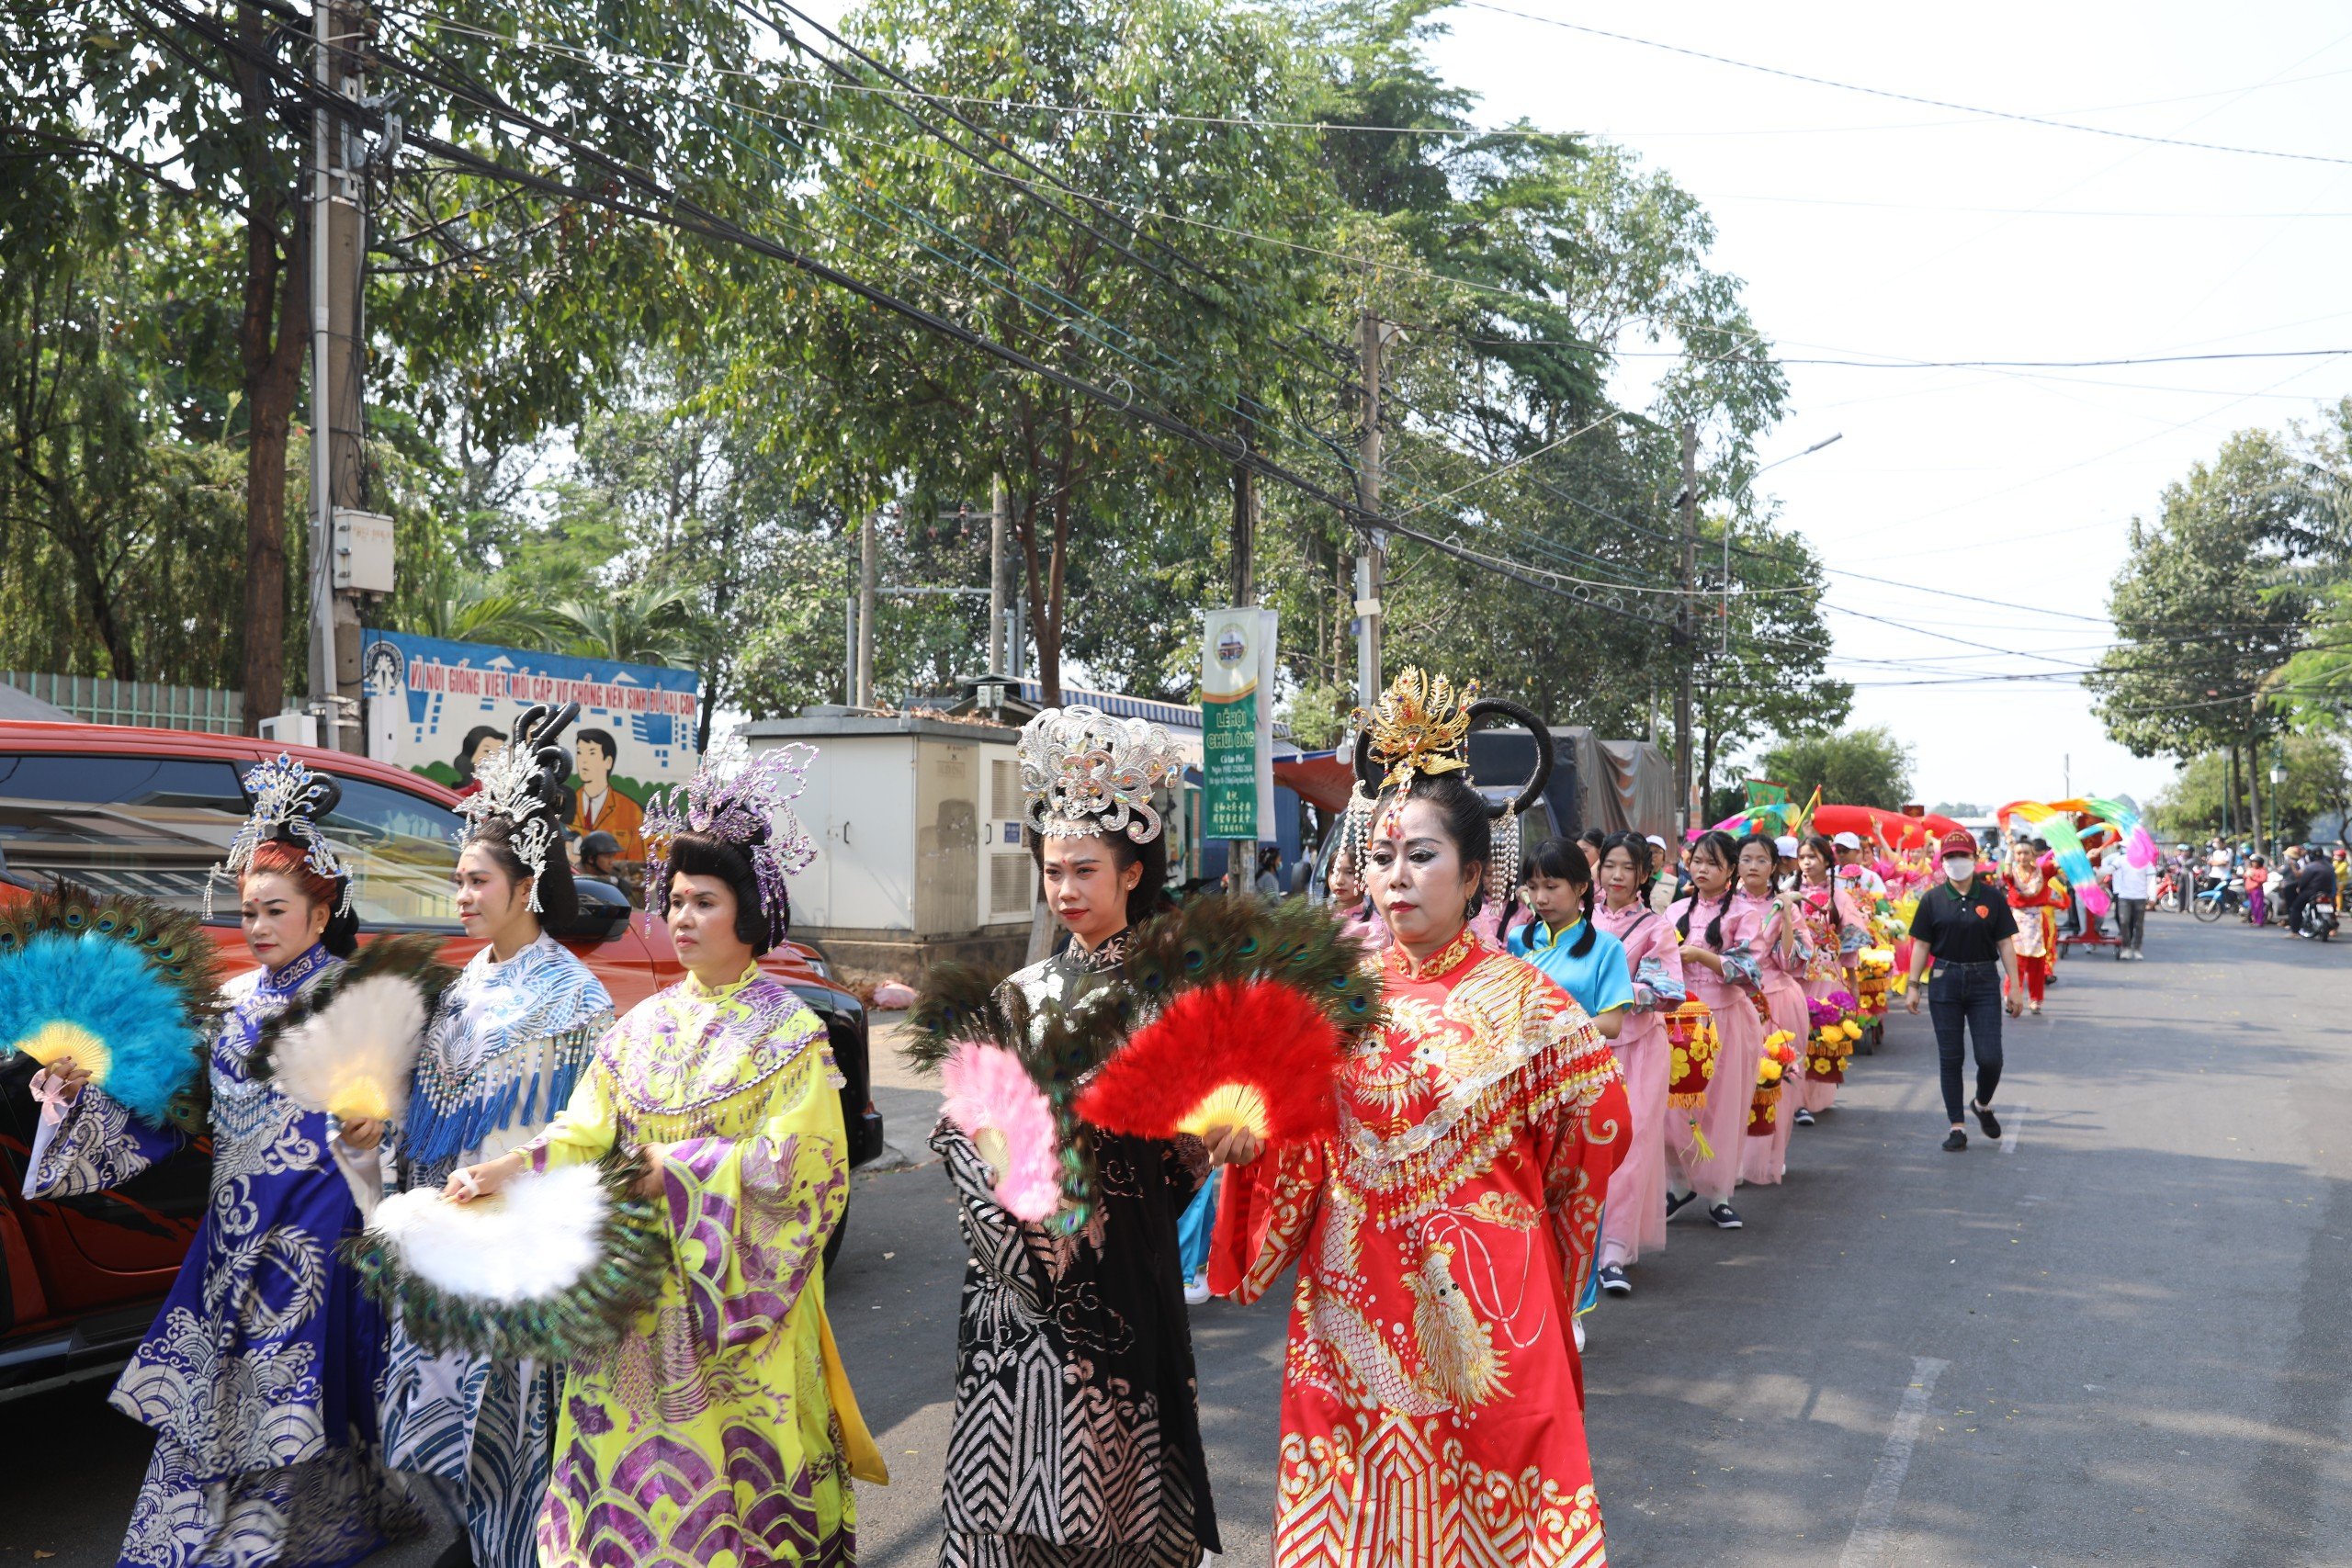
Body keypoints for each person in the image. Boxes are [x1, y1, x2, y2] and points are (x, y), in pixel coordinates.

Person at [1208, 671, 1628, 1568]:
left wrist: (1537, 1244)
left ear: (1478, 872)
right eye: (1383, 855)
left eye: (1422, 856)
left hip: (1486, 1305)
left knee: (1492, 1514)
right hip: (1352, 1299)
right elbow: (1288, 1133)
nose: (1395, 878)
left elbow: (1596, 1132)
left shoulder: (1531, 1008)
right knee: (1356, 1516)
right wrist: (1251, 1141)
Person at [441, 739, 877, 1567]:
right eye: (674, 899)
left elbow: (806, 1172)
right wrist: (505, 1170)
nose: (681, 917)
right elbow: (582, 1131)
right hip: (633, 1312)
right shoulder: (637, 1024)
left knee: (736, 1506)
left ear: (749, 914)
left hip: (737, 1318)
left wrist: (675, 1172)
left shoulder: (791, 1032)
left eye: (704, 901)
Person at [23, 758, 418, 1568]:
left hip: (317, 1226)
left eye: (277, 910)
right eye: (248, 912)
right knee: (217, 1389)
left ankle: (261, 1539)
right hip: (232, 1227)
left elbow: (397, 1122)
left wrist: (374, 1137)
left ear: (323, 909)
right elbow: (164, 1111)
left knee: (283, 1379)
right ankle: (209, 1531)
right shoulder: (230, 1003)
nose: (260, 927)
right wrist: (72, 1093)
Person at [933, 705, 1219, 1568]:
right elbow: (968, 1121)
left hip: (1117, 1267)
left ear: (1132, 873)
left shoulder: (1174, 993)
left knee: (1108, 1490)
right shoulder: (1018, 992)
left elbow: (1187, 1153)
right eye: (1053, 870)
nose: (1064, 887)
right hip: (1010, 1281)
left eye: (1084, 869)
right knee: (1007, 1477)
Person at [374, 709, 616, 1568]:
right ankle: (477, 1544)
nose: (463, 894)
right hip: (449, 1231)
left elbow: (591, 1137)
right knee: (444, 1422)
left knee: (520, 1431)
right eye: (459, 878)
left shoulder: (578, 998)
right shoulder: (460, 983)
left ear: (526, 885)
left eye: (478, 880)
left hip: (522, 1246)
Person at [1589, 831, 1686, 1295]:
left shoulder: (1655, 927)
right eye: (1610, 865)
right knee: (1581, 1148)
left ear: (1645, 874)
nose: (1618, 876)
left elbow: (1667, 990)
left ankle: (1613, 1253)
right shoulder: (1580, 920)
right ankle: (1582, 1244)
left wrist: (1616, 997)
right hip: (1584, 1049)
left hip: (1638, 1049)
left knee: (1629, 1147)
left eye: (1628, 868)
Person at [1666, 829, 1765, 1229]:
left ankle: (1719, 1194)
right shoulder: (1672, 912)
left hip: (1725, 1019)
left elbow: (1748, 971)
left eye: (1713, 864)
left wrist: (1699, 955)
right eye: (1698, 862)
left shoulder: (1745, 913)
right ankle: (1677, 1184)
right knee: (1674, 1109)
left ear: (1730, 871)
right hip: (1679, 1021)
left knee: (1722, 1109)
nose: (1703, 870)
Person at [1905, 829, 2024, 1152]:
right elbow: (1921, 945)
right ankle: (1956, 1126)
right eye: (1950, 856)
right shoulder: (1932, 899)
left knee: (1991, 1058)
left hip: (1984, 980)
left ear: (1975, 859)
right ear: (1942, 861)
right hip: (1944, 979)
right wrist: (1913, 986)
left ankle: (1982, 1104)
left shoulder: (1991, 898)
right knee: (1951, 1057)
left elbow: (2005, 943)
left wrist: (2015, 986)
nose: (1957, 862)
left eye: (1963, 856)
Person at [1736, 834, 1808, 1181]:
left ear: (1774, 866)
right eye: (1746, 858)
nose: (1753, 866)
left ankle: (1767, 1158)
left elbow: (1794, 962)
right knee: (1732, 1082)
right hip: (1734, 1000)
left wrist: (1788, 918)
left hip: (1776, 1000)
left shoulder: (1786, 907)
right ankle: (1730, 1161)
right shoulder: (1722, 904)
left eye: (1761, 860)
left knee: (1772, 1081)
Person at [1791, 832, 1868, 1118]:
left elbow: (1849, 942)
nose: (1806, 863)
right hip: (1795, 974)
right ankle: (1795, 1101)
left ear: (1827, 860)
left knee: (1820, 1034)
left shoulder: (1840, 895)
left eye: (1812, 857)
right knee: (1795, 1033)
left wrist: (1854, 983)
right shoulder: (1789, 892)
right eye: (1802, 858)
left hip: (1826, 973)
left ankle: (1812, 1097)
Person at [565, 727, 647, 861]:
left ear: (608, 762)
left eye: (591, 753)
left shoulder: (631, 811)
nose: (583, 760)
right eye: (580, 753)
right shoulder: (567, 805)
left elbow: (637, 865)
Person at [2001, 843, 2058, 1013]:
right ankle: (2011, 996)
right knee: (2015, 962)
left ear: (2033, 855)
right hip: (2017, 920)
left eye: (2026, 853)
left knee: (2037, 963)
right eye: (2019, 853)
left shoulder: (2043, 871)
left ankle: (2035, 999)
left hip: (2037, 921)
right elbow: (2007, 871)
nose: (2022, 857)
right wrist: (2010, 850)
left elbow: (2063, 863)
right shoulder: (2012, 874)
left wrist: (2085, 855)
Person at [1322, 838, 1390, 953]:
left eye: (1349, 872)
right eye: (1333, 871)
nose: (1339, 880)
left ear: (1364, 877)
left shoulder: (1375, 927)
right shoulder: (1320, 917)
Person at [2106, 839, 2152, 958]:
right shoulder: (2121, 860)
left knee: (2138, 924)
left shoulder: (2146, 861)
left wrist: (2152, 896)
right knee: (2124, 921)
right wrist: (2095, 873)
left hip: (2140, 897)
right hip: (2124, 897)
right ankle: (2126, 947)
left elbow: (2151, 879)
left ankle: (2136, 948)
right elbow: (2109, 869)